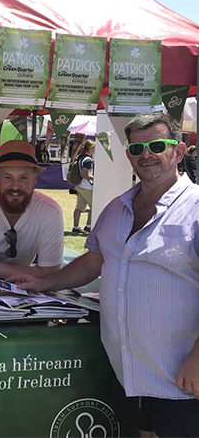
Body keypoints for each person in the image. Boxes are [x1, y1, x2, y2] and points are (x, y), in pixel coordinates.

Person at [10, 113, 199, 437]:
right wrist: (44, 282)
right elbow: (94, 261)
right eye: (137, 149)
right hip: (128, 373)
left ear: (179, 151)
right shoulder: (116, 208)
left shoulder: (195, 209)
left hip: (181, 378)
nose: (146, 155)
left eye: (156, 145)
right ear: (128, 156)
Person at [0, 140, 64, 283]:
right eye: (8, 177)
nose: (15, 186)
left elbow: (50, 272)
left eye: (23, 178)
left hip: (20, 292)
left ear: (34, 180)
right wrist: (14, 286)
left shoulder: (50, 211)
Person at [72, 139, 95, 233]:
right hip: (87, 186)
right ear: (90, 148)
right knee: (94, 206)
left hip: (79, 185)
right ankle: (88, 226)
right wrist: (95, 178)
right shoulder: (88, 160)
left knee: (79, 207)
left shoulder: (80, 157)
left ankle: (76, 227)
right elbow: (84, 174)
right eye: (94, 147)